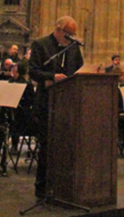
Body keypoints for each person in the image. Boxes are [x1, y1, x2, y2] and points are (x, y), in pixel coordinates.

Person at [29, 15, 83, 199]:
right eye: (69, 35)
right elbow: (33, 71)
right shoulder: (41, 44)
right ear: (58, 30)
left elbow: (79, 69)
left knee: (67, 145)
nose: (71, 39)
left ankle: (64, 185)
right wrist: (52, 77)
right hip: (47, 102)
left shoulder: (73, 47)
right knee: (47, 146)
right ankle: (42, 187)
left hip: (68, 103)